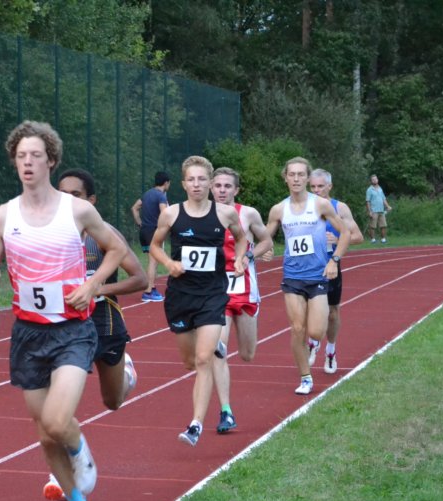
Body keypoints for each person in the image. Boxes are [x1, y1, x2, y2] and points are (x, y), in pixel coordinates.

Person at [0, 121, 128, 501]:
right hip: (28, 334)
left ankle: (82, 453)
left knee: (56, 420)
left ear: (51, 160)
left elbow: (117, 249)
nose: (27, 162)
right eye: (21, 156)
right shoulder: (2, 216)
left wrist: (94, 284)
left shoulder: (77, 210)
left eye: (35, 155)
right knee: (45, 433)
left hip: (72, 330)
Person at [42, 168, 147, 501]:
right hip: (65, 328)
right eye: (62, 193)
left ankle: (126, 373)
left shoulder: (103, 234)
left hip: (104, 322)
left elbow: (140, 279)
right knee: (59, 403)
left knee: (112, 401)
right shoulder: (44, 233)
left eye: (75, 195)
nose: (67, 200)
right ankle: (66, 468)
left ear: (91, 200)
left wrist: (97, 288)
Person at [149, 156, 248, 447]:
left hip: (212, 294)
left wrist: (239, 258)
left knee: (204, 360)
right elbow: (154, 245)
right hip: (181, 296)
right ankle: (212, 343)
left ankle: (195, 425)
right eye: (191, 180)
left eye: (202, 179)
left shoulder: (225, 214)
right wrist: (169, 263)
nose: (196, 184)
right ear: (183, 184)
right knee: (190, 362)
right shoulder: (171, 214)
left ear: (210, 182)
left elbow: (241, 239)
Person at [264, 157, 352, 395]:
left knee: (316, 332)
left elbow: (345, 233)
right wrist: (262, 250)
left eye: (300, 174)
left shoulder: (321, 205)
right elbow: (265, 237)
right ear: (285, 178)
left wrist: (334, 260)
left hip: (318, 275)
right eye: (291, 174)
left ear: (307, 177)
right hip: (293, 277)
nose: (296, 179)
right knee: (297, 329)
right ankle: (305, 377)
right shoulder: (278, 209)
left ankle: (316, 343)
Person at [209, 167, 274, 434]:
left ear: (236, 190)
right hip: (216, 291)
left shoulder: (247, 214)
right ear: (211, 188)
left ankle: (227, 408)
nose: (222, 190)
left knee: (247, 354)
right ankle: (226, 411)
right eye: (218, 185)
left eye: (227, 186)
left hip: (245, 289)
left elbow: (266, 241)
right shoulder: (201, 214)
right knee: (218, 349)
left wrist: (248, 256)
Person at [306, 168, 364, 374]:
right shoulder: (301, 206)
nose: (316, 190)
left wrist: (338, 239)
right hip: (307, 266)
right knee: (308, 310)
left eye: (320, 186)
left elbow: (358, 237)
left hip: (330, 265)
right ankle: (313, 340)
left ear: (329, 186)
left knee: (331, 312)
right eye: (313, 186)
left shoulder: (339, 208)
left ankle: (330, 351)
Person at [131, 171, 171, 301]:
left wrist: (139, 223)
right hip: (153, 232)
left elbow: (134, 208)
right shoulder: (161, 196)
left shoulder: (147, 194)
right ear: (166, 183)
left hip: (144, 231)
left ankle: (151, 288)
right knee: (153, 262)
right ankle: (148, 291)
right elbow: (165, 214)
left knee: (152, 261)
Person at [365, 174, 392, 243]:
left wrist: (388, 206)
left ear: (377, 180)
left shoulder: (380, 189)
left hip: (381, 210)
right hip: (373, 210)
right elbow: (368, 201)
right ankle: (373, 240)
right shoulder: (369, 190)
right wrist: (369, 211)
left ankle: (383, 239)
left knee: (383, 225)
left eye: (376, 179)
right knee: (372, 226)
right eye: (373, 179)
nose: (375, 180)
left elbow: (383, 199)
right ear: (371, 181)